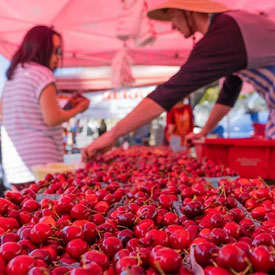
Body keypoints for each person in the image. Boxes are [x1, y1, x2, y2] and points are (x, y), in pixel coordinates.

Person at [82, 0, 275, 162]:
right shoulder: (233, 29)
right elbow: (229, 93)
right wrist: (203, 132)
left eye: (173, 16)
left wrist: (111, 135)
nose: (173, 25)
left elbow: (170, 92)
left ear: (188, 11)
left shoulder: (225, 33)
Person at [1, 25, 90, 191]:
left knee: (20, 210)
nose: (57, 57)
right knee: (43, 211)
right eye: (55, 50)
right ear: (42, 49)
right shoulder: (43, 74)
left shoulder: (12, 76)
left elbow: (25, 113)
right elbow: (52, 118)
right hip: (41, 161)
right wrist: (79, 109)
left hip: (14, 163)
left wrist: (68, 105)